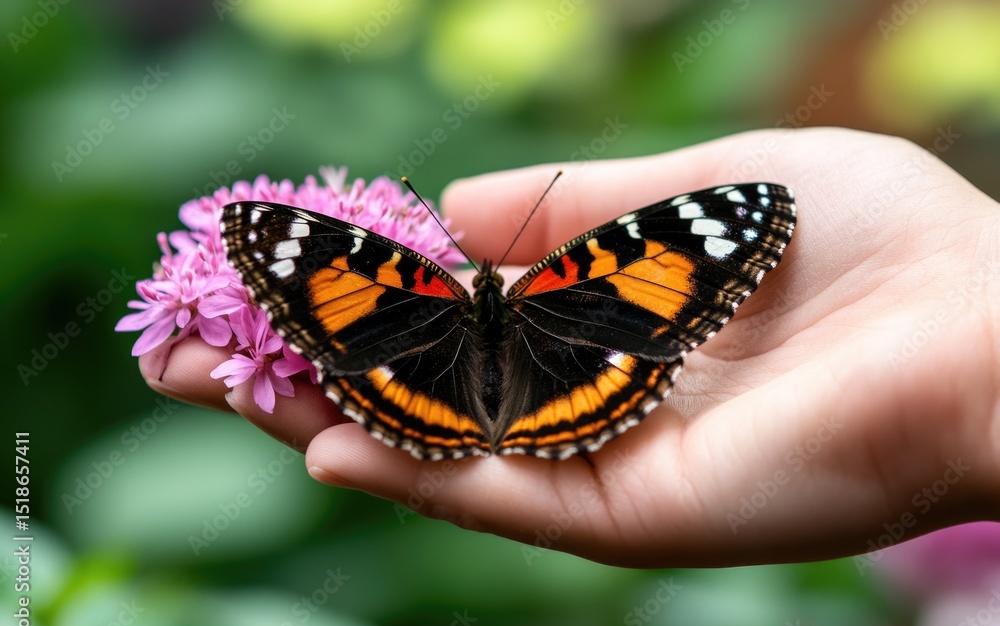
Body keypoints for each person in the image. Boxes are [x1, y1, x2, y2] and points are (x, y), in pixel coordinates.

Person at [137, 127, 999, 567]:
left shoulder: (382, 276)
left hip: (404, 374)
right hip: (592, 374)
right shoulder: (579, 274)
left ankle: (436, 410)